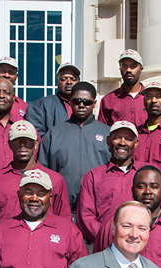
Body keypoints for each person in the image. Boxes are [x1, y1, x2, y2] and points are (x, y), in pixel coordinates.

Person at [0, 120, 70, 226]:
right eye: (17, 140)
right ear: (9, 144)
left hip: (45, 240)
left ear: (36, 143)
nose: (22, 145)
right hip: (6, 239)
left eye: (28, 140)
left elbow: (64, 222)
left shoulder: (55, 179)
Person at [38, 82, 111, 211]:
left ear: (94, 104)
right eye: (77, 101)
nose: (81, 105)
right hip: (62, 208)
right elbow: (43, 171)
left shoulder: (107, 133)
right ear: (70, 102)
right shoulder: (54, 134)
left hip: (98, 207)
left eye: (86, 102)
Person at [76, 121, 143, 243]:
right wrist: (108, 239)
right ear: (108, 141)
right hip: (104, 247)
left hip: (140, 245)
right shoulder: (93, 176)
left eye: (128, 139)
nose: (122, 143)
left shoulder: (146, 174)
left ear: (136, 143)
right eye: (117, 138)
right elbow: (86, 217)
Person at [25, 62, 80, 136]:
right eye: (64, 79)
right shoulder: (41, 105)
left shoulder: (85, 105)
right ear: (57, 81)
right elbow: (36, 135)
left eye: (73, 79)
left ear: (78, 81)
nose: (69, 82)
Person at [97, 49, 147, 127]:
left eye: (133, 66)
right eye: (124, 66)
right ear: (120, 69)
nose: (128, 70)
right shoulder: (108, 100)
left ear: (141, 69)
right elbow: (101, 131)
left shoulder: (151, 99)